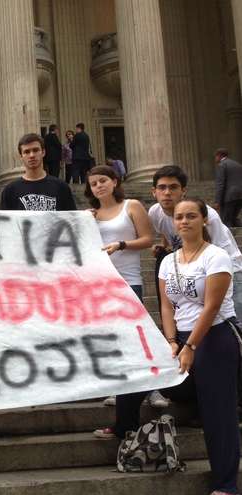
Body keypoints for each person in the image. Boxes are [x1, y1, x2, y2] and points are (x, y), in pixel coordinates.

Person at [154, 198, 239, 495]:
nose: (185, 221)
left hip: (214, 335)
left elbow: (212, 305)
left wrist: (190, 345)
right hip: (183, 335)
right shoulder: (168, 261)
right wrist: (171, 339)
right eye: (179, 217)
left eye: (191, 216)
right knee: (170, 387)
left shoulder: (216, 257)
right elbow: (165, 304)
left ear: (204, 220)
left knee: (219, 413)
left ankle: (227, 482)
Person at [83, 165, 168, 408]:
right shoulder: (91, 215)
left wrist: (120, 244)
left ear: (115, 181)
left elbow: (146, 239)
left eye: (103, 181)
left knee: (139, 336)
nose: (98, 186)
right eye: (94, 183)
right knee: (112, 338)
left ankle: (154, 388)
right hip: (101, 283)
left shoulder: (131, 205)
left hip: (129, 281)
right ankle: (120, 387)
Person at [148, 165, 242, 320]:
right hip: (194, 272)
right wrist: (164, 245)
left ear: (183, 191)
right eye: (162, 187)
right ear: (154, 192)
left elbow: (220, 252)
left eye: (173, 187)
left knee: (234, 320)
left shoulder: (207, 216)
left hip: (229, 269)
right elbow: (166, 230)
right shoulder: (154, 212)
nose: (167, 193)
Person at [0, 133, 77, 211]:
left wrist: (86, 216)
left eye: (35, 150)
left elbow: (73, 219)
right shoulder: (10, 191)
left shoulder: (61, 187)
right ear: (21, 156)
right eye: (26, 152)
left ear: (43, 152)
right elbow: (3, 222)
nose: (32, 155)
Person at [214, 148, 242, 227]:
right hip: (240, 196)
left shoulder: (222, 165)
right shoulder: (238, 164)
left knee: (226, 220)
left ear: (219, 156)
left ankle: (229, 238)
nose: (215, 159)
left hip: (229, 197)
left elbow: (220, 184)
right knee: (233, 219)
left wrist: (217, 201)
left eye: (215, 157)